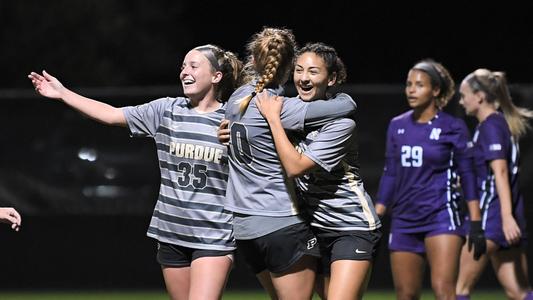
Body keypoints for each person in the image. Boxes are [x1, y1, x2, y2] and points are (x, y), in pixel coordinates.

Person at [28, 44, 243, 300]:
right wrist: (63, 93)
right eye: (183, 66)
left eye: (194, 66)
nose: (185, 71)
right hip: (172, 232)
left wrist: (243, 139)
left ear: (217, 76)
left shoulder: (233, 119)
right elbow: (111, 114)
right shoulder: (166, 111)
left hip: (213, 235)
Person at [223, 28, 358, 300]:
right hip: (280, 222)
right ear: (290, 66)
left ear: (252, 58)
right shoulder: (279, 106)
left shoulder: (236, 100)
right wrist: (345, 97)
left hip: (243, 227)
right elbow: (344, 107)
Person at [254, 42, 382, 300]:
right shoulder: (289, 111)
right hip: (311, 229)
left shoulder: (341, 124)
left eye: (313, 72)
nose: (303, 78)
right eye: (299, 70)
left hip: (351, 227)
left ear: (331, 78)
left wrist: (273, 121)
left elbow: (295, 167)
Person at [374, 59, 485, 300]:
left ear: (436, 90)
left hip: (441, 215)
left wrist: (475, 222)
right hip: (404, 218)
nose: (411, 90)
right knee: (406, 294)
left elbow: (468, 174)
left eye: (419, 85)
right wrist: (377, 214)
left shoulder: (452, 127)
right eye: (408, 84)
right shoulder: (397, 126)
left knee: (443, 290)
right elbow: (391, 172)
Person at [456, 68, 533, 300]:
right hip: (506, 216)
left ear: (479, 97)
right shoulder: (499, 124)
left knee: (459, 290)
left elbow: (500, 171)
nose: (461, 101)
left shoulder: (490, 125)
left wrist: (506, 217)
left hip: (491, 217)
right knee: (519, 292)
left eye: (463, 95)